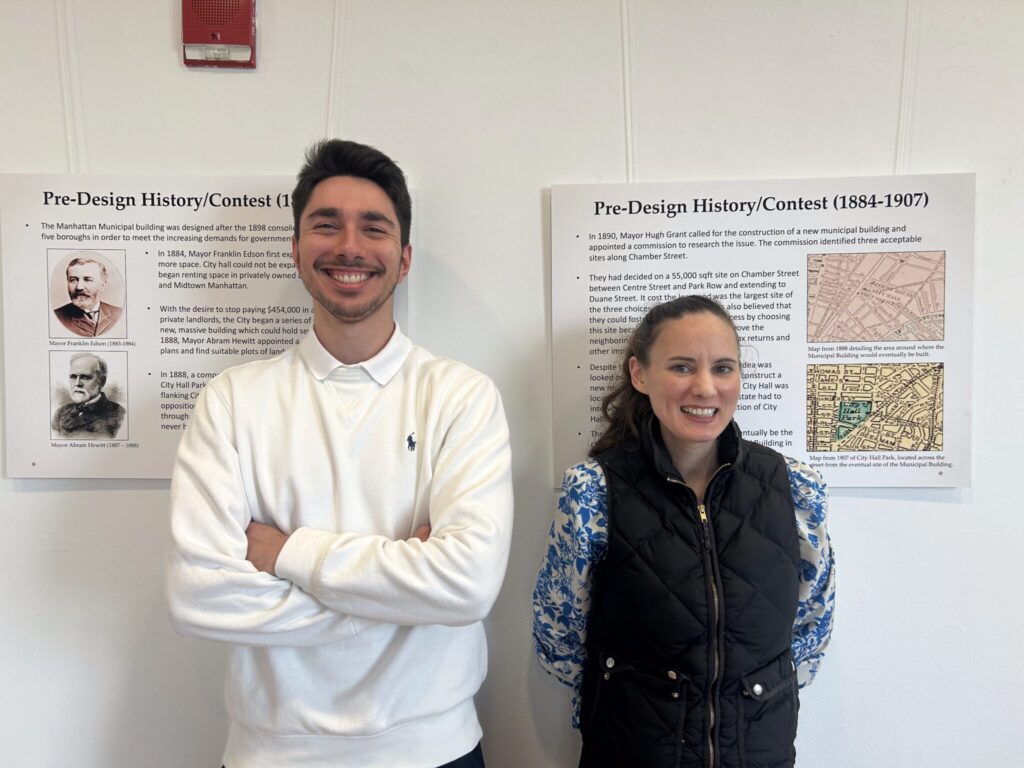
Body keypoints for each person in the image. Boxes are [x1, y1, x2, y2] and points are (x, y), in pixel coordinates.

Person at [167, 140, 514, 768]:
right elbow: (197, 594)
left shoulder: (461, 397)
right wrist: (404, 603)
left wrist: (286, 553)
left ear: (404, 258)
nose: (349, 246)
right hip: (271, 753)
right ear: (296, 250)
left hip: (434, 750)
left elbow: (466, 587)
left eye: (373, 227)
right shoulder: (232, 400)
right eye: (325, 224)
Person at [533, 296, 834, 768]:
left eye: (723, 367)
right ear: (639, 374)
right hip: (630, 750)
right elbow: (559, 637)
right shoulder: (592, 491)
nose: (705, 387)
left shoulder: (795, 487)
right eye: (681, 367)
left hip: (758, 752)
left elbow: (812, 623)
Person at [51, 352, 125, 439]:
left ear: (101, 381)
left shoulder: (118, 414)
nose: (77, 383)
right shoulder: (61, 412)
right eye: (73, 377)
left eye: (85, 377)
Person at [52, 254, 124, 336]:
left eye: (87, 280)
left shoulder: (119, 314)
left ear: (102, 285)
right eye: (73, 280)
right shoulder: (56, 317)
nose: (79, 287)